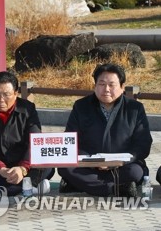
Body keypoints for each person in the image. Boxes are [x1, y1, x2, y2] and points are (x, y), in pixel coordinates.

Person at [58, 63, 152, 197]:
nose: (106, 89)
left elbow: (143, 144)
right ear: (95, 86)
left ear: (122, 87)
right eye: (101, 84)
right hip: (89, 165)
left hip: (122, 165)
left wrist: (119, 161)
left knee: (135, 172)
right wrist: (93, 161)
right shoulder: (81, 106)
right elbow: (71, 140)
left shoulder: (135, 109)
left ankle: (83, 185)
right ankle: (115, 188)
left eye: (112, 85)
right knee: (65, 168)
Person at [0, 71, 54, 196]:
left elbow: (35, 141)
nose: (1, 100)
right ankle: (29, 186)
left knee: (48, 167)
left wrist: (22, 169)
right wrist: (0, 168)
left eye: (6, 94)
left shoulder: (28, 109)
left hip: (21, 162)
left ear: (15, 94)